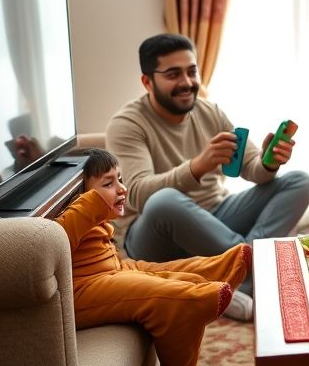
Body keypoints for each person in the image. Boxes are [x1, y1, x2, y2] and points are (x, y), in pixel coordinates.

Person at [106, 34, 309, 300]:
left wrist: (268, 162)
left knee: (299, 181)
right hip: (154, 234)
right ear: (147, 82)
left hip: (214, 219)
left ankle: (243, 278)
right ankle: (254, 267)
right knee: (164, 201)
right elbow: (135, 194)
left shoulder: (210, 111)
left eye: (192, 71)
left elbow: (251, 167)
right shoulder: (127, 124)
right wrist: (197, 166)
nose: (187, 83)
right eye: (173, 74)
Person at [55, 148, 250, 366]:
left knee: (164, 270)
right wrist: (92, 203)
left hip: (112, 269)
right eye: (108, 184)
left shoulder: (94, 219)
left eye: (119, 180)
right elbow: (56, 240)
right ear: (79, 198)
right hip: (82, 289)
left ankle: (216, 270)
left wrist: (102, 200)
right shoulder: (64, 222)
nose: (122, 189)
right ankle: (192, 300)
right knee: (162, 294)